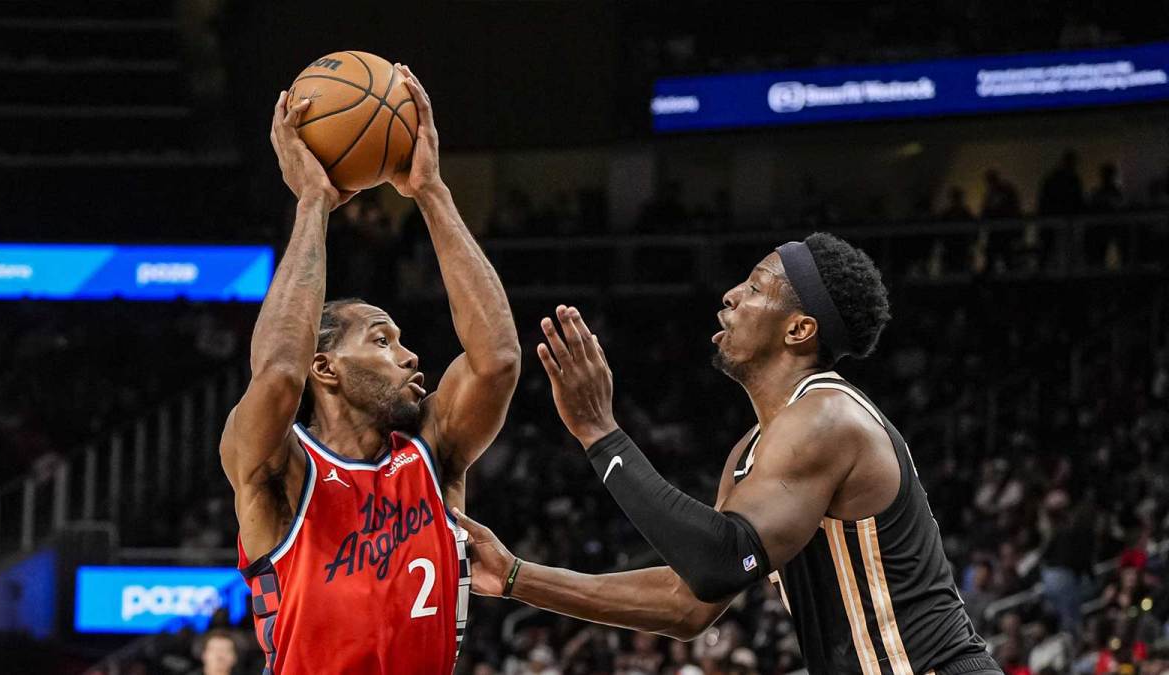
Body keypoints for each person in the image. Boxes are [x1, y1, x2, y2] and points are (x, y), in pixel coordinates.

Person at [458, 233, 1000, 674]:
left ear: (799, 329)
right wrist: (515, 577)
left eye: (756, 286)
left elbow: (719, 561)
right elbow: (687, 602)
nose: (732, 296)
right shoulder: (753, 450)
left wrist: (601, 434)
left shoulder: (829, 417)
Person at [220, 66, 520, 674]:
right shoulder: (281, 471)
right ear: (324, 368)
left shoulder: (433, 450)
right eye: (382, 339)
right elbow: (278, 373)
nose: (411, 357)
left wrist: (432, 191)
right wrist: (313, 204)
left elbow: (498, 361)